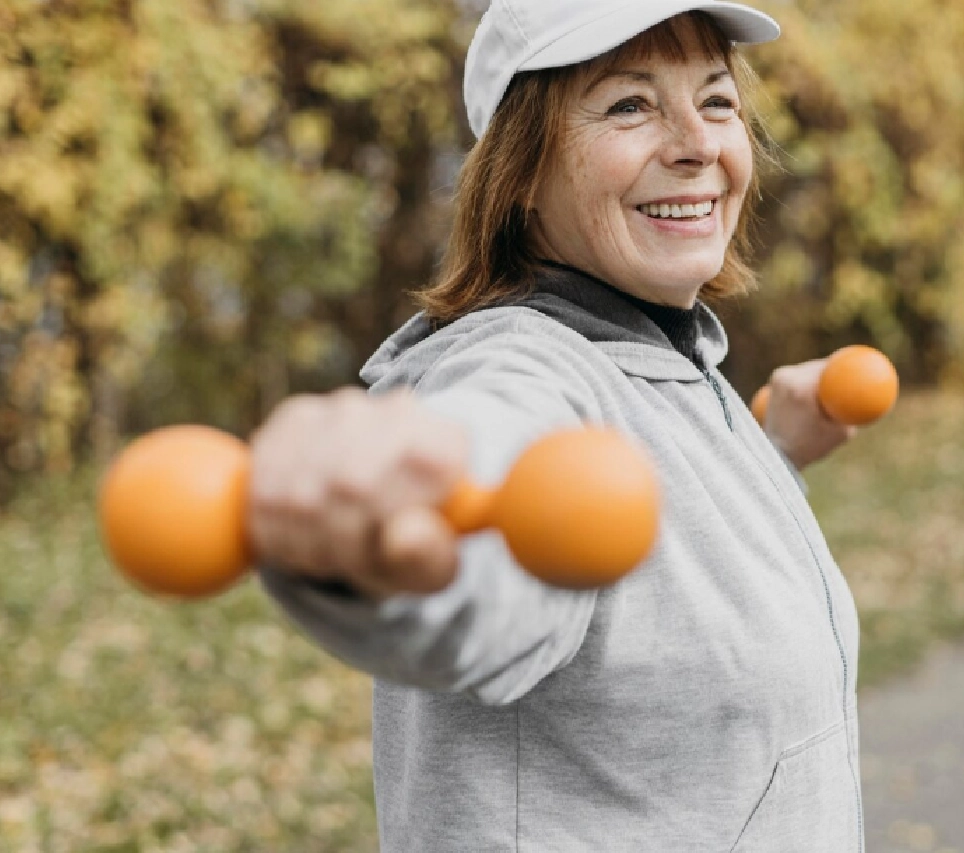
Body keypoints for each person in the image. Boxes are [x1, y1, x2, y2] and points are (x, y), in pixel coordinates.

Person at [252, 1, 865, 849]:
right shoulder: (521, 371)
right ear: (522, 172)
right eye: (629, 104)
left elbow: (656, 576)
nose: (698, 143)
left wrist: (771, 457)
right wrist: (383, 553)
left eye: (717, 100)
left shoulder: (664, 357)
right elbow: (492, 541)